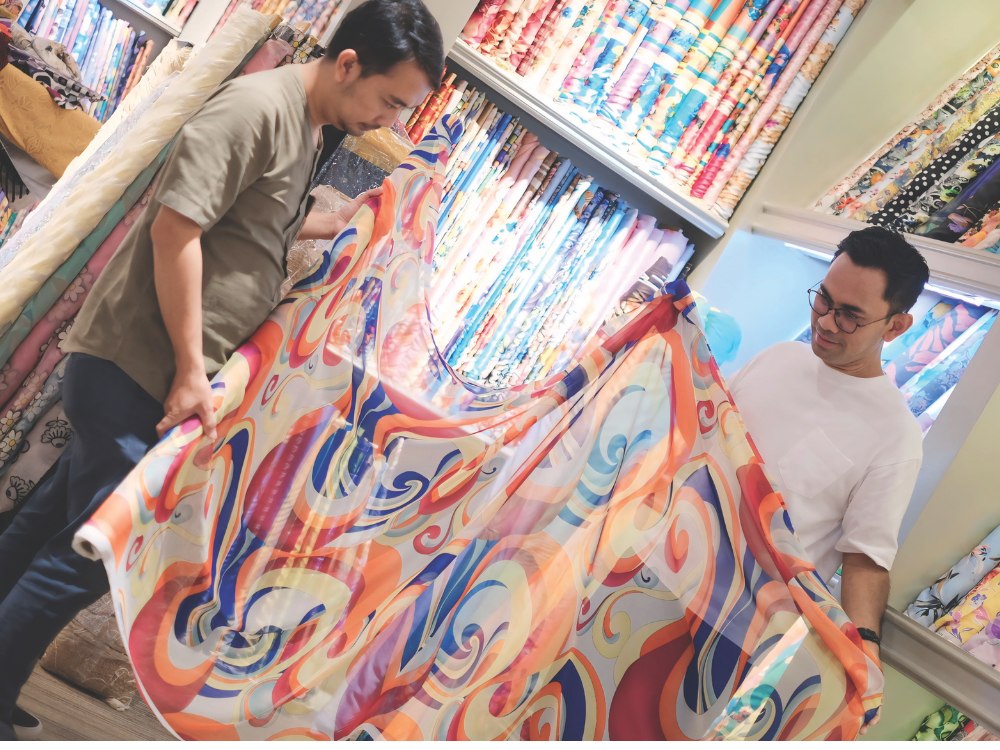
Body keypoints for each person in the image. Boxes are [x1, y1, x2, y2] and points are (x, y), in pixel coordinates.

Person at [0, 0, 443, 739]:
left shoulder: (305, 125)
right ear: (347, 64)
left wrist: (326, 222)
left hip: (144, 370)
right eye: (390, 100)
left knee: (46, 524)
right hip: (134, 368)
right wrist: (185, 372)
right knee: (86, 554)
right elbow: (178, 227)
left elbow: (250, 220)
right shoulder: (256, 108)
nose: (390, 122)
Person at [729, 227, 929, 708]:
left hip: (737, 626)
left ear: (896, 326)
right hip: (653, 561)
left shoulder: (894, 435)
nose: (826, 321)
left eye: (850, 315)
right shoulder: (779, 357)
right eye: (824, 299)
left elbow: (864, 559)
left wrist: (865, 659)